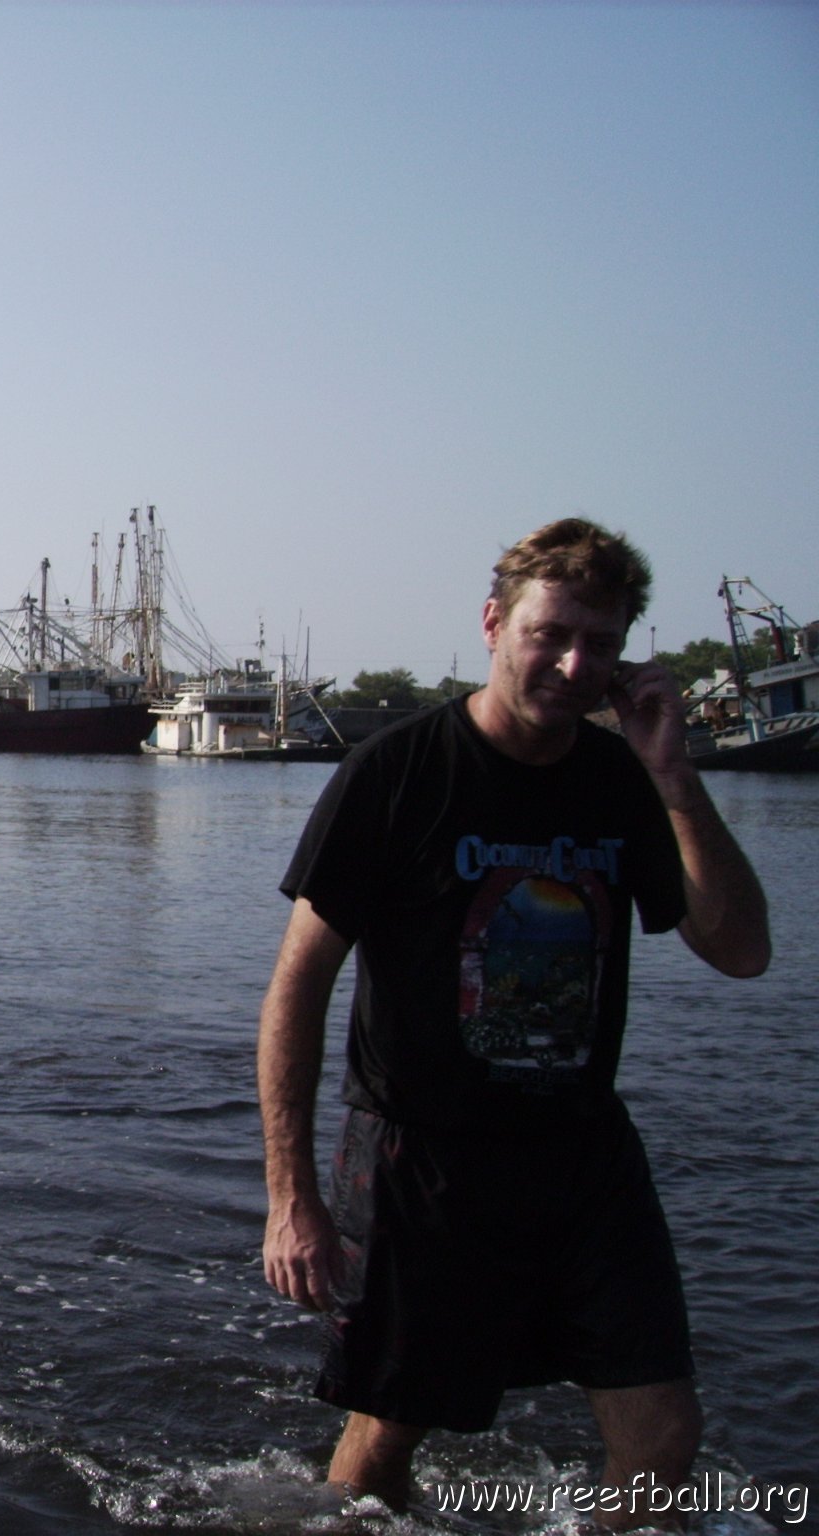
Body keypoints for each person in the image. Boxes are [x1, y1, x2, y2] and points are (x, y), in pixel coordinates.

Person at [257, 519, 770, 1526]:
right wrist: (292, 1197)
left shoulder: (622, 782)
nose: (574, 665)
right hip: (425, 1162)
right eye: (550, 634)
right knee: (383, 1446)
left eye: (601, 644)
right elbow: (295, 987)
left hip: (583, 1157)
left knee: (662, 1439)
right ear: (493, 624)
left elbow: (739, 949)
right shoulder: (397, 772)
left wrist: (672, 777)